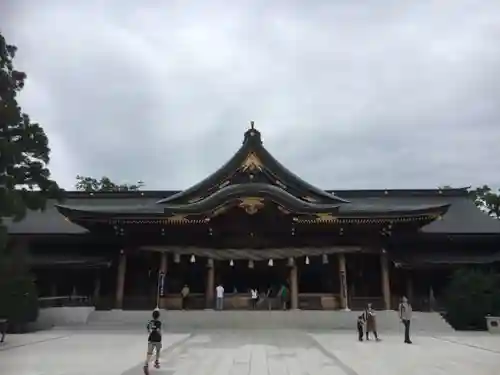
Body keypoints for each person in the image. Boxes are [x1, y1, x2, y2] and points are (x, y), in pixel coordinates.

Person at [143, 309, 162, 375]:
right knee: (158, 351)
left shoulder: (150, 322)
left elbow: (148, 328)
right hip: (157, 339)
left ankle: (146, 364)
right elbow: (158, 330)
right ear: (158, 316)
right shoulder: (159, 323)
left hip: (151, 339)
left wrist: (150, 332)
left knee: (149, 353)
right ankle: (156, 362)